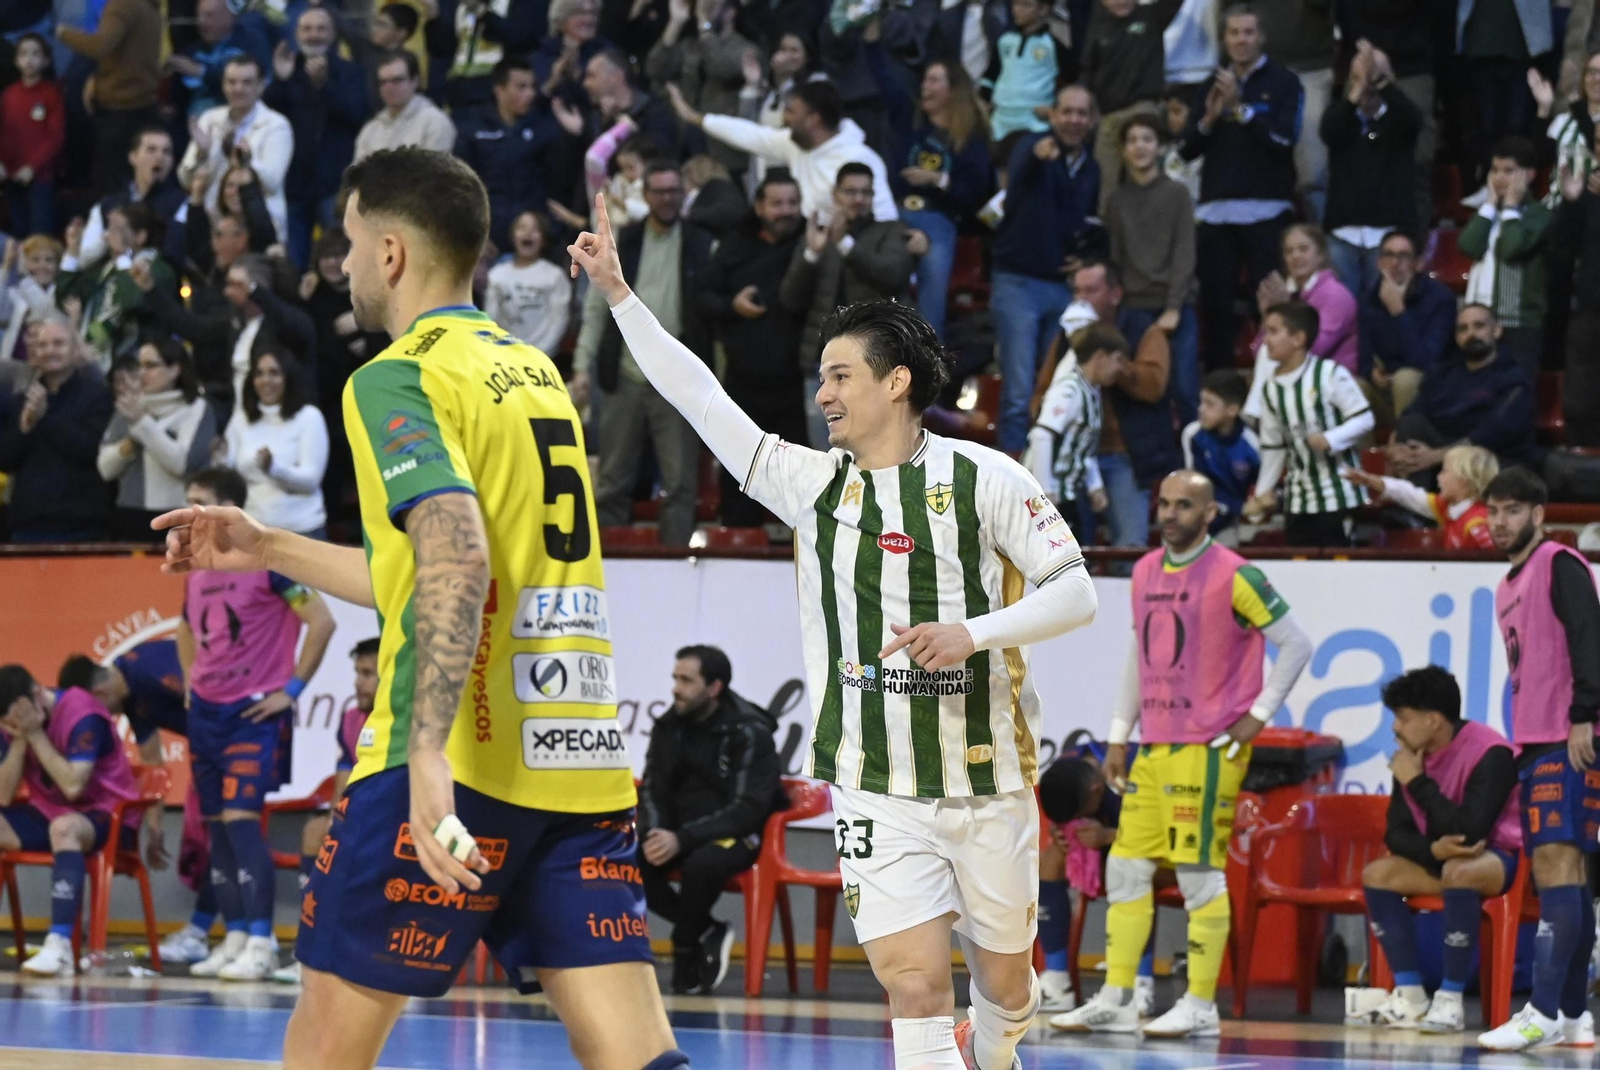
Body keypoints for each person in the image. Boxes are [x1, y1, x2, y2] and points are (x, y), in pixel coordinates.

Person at [154, 147, 689, 1070]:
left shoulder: (394, 377)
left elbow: (455, 553)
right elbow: (435, 571)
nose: (346, 264)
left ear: (392, 252)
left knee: (323, 1051)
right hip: (578, 768)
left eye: (353, 243)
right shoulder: (530, 375)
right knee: (641, 1060)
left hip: (454, 764)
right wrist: (271, 546)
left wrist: (427, 751)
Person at [571, 192, 1101, 1070]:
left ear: (897, 381)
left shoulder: (988, 477)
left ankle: (997, 1044)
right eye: (819, 377)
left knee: (1006, 983)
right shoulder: (812, 484)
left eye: (840, 375)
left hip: (989, 776)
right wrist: (622, 296)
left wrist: (971, 633)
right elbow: (705, 400)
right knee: (911, 983)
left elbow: (1075, 592)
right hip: (873, 779)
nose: (823, 393)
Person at [1053, 469, 1312, 1037]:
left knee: (1198, 877)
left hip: (1209, 748)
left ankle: (1200, 1005)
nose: (1170, 515)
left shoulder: (1236, 574)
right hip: (1155, 746)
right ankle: (1119, 997)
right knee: (1124, 868)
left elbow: (1296, 642)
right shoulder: (1145, 570)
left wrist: (1258, 717)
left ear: (1210, 512)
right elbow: (1137, 653)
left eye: (1184, 506)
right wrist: (1120, 733)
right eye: (1164, 504)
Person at [176, 466, 335, 982]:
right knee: (217, 828)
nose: (190, 511)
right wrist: (188, 682)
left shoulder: (267, 563)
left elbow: (322, 620)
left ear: (227, 509)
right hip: (206, 712)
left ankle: (264, 941)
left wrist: (289, 692)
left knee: (243, 822)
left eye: (200, 501)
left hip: (251, 713)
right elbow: (183, 626)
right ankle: (238, 935)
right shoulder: (197, 566)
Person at [1477, 467, 1600, 1050]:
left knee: (1556, 867)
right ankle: (1574, 1018)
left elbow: (1589, 636)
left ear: (1538, 514)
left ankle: (1544, 1010)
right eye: (1493, 512)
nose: (1500, 522)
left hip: (1567, 735)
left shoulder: (1559, 563)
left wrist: (1585, 714)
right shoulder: (1506, 586)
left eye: (1512, 511)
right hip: (1535, 737)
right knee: (1569, 875)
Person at [1358, 666, 1524, 1033]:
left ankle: (1450, 1001)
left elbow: (1469, 833)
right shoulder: (1409, 757)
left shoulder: (1491, 752)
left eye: (1403, 718)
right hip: (1445, 860)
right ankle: (1411, 996)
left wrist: (1416, 782)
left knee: (1459, 871)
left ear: (1433, 720)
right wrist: (1433, 850)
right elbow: (1396, 834)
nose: (1395, 728)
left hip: (1504, 860)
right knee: (1378, 874)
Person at [573, 161, 713, 547]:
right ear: (646, 195)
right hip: (626, 375)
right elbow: (596, 308)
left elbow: (712, 319)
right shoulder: (624, 241)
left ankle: (679, 571)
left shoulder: (702, 243)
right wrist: (582, 364)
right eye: (660, 191)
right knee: (613, 480)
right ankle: (607, 565)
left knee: (681, 484)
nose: (667, 199)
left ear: (682, 194)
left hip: (679, 380)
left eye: (673, 191)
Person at [57, 640, 217, 965]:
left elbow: (211, 691)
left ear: (99, 694)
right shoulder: (129, 696)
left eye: (95, 710)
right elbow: (152, 758)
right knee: (205, 843)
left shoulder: (150, 666)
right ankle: (204, 932)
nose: (102, 717)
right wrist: (155, 827)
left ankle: (252, 936)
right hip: (211, 752)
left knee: (230, 836)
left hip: (234, 743)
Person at [638, 644, 784, 994]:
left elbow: (748, 808)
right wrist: (655, 830)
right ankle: (705, 929)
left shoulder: (750, 733)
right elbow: (652, 787)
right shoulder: (668, 726)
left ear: (714, 687)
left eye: (686, 680)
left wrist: (683, 839)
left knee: (702, 864)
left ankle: (685, 944)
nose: (676, 688)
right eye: (675, 678)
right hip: (678, 832)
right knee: (628, 861)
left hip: (735, 834)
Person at [1178, 3, 1304, 372]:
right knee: (1216, 305)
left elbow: (1284, 141)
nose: (1241, 40)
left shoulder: (1284, 82)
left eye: (1248, 32)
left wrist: (1241, 110)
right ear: (1224, 39)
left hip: (1268, 211)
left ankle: (1272, 382)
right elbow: (1186, 150)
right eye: (1234, 33)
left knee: (1268, 305)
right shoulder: (1209, 85)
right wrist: (1210, 118)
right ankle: (1220, 387)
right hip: (1216, 212)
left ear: (1261, 37)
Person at [0, 667, 144, 977]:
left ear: (38, 694)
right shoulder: (14, 726)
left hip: (109, 814)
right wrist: (20, 740)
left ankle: (61, 943)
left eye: (17, 720)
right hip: (51, 811)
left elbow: (73, 786)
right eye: (9, 724)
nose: (14, 726)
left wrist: (35, 734)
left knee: (64, 828)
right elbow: (3, 795)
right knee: (57, 824)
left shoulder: (82, 711)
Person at [990, 85, 1104, 453]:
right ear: (1052, 115)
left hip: (1060, 287)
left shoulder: (1092, 168)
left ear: (1092, 120)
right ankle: (1009, 476)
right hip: (1017, 282)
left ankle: (1044, 471)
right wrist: (1037, 157)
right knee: (1019, 390)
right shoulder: (1032, 145)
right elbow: (1020, 171)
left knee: (1052, 386)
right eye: (1067, 112)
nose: (1074, 120)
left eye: (1082, 113)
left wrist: (1085, 260)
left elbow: (1087, 223)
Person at [698, 174, 809, 526]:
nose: (786, 211)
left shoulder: (812, 244)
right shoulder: (735, 246)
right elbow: (702, 297)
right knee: (740, 472)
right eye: (777, 204)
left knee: (797, 477)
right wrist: (733, 305)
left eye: (792, 203)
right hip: (743, 382)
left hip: (796, 383)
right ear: (759, 207)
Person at [272, 637, 380, 985]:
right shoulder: (351, 719)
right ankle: (312, 947)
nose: (357, 682)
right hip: (364, 816)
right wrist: (339, 820)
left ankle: (379, 957)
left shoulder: (408, 721)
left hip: (401, 818)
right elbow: (345, 779)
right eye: (357, 672)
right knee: (316, 832)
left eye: (367, 673)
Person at [870, 54, 994, 341]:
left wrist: (938, 179)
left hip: (938, 220)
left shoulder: (970, 139)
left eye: (935, 80)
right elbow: (886, 84)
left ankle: (926, 362)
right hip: (896, 214)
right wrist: (873, 43)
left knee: (932, 298)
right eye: (925, 79)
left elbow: (976, 195)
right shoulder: (911, 124)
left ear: (953, 90)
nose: (926, 85)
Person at [1034, 743, 1159, 1017]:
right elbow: (1061, 815)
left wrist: (1111, 835)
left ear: (1097, 790)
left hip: (1159, 856)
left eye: (1081, 816)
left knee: (1134, 867)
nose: (1080, 820)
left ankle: (1139, 985)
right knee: (1050, 860)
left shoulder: (1140, 768)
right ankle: (1057, 983)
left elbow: (1166, 833)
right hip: (1107, 853)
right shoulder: (1068, 767)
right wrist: (1061, 834)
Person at [671, 78, 898, 222]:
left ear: (813, 119)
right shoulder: (796, 144)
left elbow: (885, 218)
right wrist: (697, 118)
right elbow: (753, 136)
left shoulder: (860, 159)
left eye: (790, 111)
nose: (783, 118)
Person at [1242, 302, 1374, 547]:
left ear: (1298, 338)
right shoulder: (1270, 389)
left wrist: (1332, 438)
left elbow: (1365, 419)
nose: (1264, 340)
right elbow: (1273, 448)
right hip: (1298, 499)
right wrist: (1262, 495)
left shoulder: (1330, 374)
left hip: (1339, 494)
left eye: (1273, 332)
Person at [1105, 113, 1198, 424]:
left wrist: (1173, 307)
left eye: (1147, 139)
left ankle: (1192, 469)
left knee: (1186, 390)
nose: (1139, 147)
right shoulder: (1117, 200)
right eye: (1132, 140)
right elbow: (1114, 257)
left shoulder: (1177, 193)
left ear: (1160, 147)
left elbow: (1184, 252)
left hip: (1175, 306)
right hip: (1133, 308)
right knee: (1140, 394)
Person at [781, 163, 917, 374]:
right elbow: (791, 300)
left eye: (866, 192)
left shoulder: (891, 231)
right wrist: (812, 255)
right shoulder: (818, 239)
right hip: (823, 361)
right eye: (850, 192)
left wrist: (845, 243)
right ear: (835, 195)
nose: (858, 199)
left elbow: (892, 276)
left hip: (876, 361)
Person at [263, 7, 371, 270]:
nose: (314, 35)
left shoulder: (350, 72)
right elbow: (269, 119)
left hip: (333, 184)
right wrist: (280, 80)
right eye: (307, 29)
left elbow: (359, 115)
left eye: (321, 29)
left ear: (333, 34)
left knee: (340, 258)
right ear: (296, 33)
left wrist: (325, 86)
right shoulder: (288, 69)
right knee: (295, 262)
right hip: (295, 184)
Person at [1387, 304, 1540, 481]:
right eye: (1463, 329)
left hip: (1491, 463)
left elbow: (1492, 435)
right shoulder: (1443, 374)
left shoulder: (1513, 379)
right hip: (1441, 460)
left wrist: (1436, 456)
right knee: (1411, 425)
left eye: (1479, 326)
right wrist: (1394, 447)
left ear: (1497, 331)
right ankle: (1413, 502)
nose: (1471, 334)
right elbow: (1414, 411)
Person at [1319, 39, 1422, 302]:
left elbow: (1413, 121)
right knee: (1343, 312)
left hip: (1388, 237)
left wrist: (1380, 82)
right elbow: (1328, 132)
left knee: (1383, 313)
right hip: (1343, 236)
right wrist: (1355, 92)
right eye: (1357, 77)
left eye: (1376, 77)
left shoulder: (1399, 120)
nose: (1367, 85)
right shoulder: (1342, 118)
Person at [0, 316, 115, 543]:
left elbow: (92, 451)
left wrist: (46, 417)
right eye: (42, 345)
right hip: (27, 524)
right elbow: (5, 460)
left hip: (82, 525)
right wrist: (25, 427)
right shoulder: (22, 398)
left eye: (58, 344)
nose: (49, 351)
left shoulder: (98, 395)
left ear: (75, 350)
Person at [97, 338, 217, 541]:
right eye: (139, 367)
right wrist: (129, 444)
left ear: (175, 370)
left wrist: (142, 424)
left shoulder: (196, 408)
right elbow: (105, 469)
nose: (142, 373)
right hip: (131, 513)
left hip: (179, 515)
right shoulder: (129, 406)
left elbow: (181, 464)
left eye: (150, 366)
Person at [177, 55, 295, 244]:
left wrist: (248, 162)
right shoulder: (209, 119)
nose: (238, 89)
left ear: (261, 85)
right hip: (214, 227)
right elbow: (185, 180)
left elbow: (272, 183)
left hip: (259, 229)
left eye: (247, 82)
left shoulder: (276, 125)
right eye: (232, 82)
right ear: (223, 85)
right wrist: (201, 154)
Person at [1079, 0, 1182, 214]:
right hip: (1107, 115)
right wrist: (1087, 107)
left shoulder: (1151, 15)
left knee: (1141, 179)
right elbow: (1087, 71)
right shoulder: (1097, 24)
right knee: (1105, 184)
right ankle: (1107, 238)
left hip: (1141, 109)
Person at [1460, 137, 1551, 379]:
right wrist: (1490, 204)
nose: (1500, 178)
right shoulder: (1488, 213)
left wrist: (1510, 208)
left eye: (1509, 171)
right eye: (1495, 170)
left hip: (1518, 322)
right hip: (1479, 320)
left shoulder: (1539, 215)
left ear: (1529, 175)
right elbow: (1468, 246)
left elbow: (1511, 249)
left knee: (1515, 394)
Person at [56, 0, 162, 198]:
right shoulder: (150, 7)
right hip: (145, 105)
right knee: (144, 181)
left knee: (109, 188)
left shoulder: (121, 5)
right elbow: (130, 56)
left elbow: (101, 46)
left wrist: (64, 33)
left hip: (118, 109)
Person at [454, 56, 561, 253]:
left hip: (533, 239)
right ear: (499, 90)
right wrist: (476, 236)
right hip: (487, 238)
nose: (530, 94)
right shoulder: (473, 128)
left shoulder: (545, 128)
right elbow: (461, 187)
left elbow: (557, 183)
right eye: (521, 87)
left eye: (532, 86)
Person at [222, 349, 330, 540]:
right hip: (253, 530)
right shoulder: (241, 419)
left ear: (288, 378)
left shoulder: (308, 417)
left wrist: (273, 468)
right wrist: (218, 457)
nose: (266, 380)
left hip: (302, 532)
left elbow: (311, 480)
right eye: (259, 373)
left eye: (274, 373)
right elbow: (230, 473)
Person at [1023, 323, 1127, 516]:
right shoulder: (1068, 391)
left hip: (1067, 494)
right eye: (1118, 360)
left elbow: (1083, 446)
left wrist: (1095, 486)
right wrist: (1045, 492)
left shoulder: (1091, 392)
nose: (1120, 368)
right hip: (1048, 496)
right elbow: (1041, 436)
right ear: (1100, 357)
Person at [1358, 229, 1457, 421]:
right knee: (1356, 385)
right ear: (1379, 263)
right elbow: (1364, 358)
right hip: (1386, 391)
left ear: (1418, 263)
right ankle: (1360, 451)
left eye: (1403, 256)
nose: (1395, 263)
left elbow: (1425, 362)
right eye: (1389, 255)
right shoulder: (1369, 299)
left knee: (1405, 379)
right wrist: (1372, 373)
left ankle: (1405, 445)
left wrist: (1398, 311)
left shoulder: (1440, 299)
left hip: (1430, 394)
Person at [1342, 445, 1498, 550]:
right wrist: (1370, 480)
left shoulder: (1478, 523)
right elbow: (1408, 494)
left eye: (1444, 471)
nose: (1438, 477)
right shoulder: (1449, 509)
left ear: (1463, 482)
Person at [76, 126, 184, 269]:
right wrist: (111, 236)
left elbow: (175, 255)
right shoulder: (108, 204)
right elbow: (84, 257)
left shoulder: (182, 203)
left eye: (166, 152)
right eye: (151, 150)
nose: (160, 157)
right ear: (133, 157)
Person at [979, 0, 1076, 146]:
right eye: (1015, 4)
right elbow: (991, 75)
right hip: (1000, 119)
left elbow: (1072, 79)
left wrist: (1055, 108)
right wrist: (983, 100)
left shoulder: (1052, 45)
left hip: (1033, 121)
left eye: (1026, 5)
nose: (1017, 10)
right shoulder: (1005, 41)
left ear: (1043, 9)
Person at [1180, 369, 1259, 542]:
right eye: (1201, 402)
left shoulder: (1252, 444)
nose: (1201, 409)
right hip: (1190, 522)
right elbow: (1197, 488)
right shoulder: (1193, 435)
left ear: (1232, 409)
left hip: (1227, 526)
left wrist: (1262, 503)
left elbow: (1265, 487)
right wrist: (1240, 508)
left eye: (1210, 404)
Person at [0, 33, 64, 239]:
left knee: (40, 232)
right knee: (17, 232)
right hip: (10, 175)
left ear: (46, 60)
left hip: (40, 176)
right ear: (16, 60)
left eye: (36, 54)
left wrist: (32, 167)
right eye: (24, 54)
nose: (29, 59)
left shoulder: (51, 94)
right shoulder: (8, 94)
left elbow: (55, 137)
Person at [483, 211, 573, 355]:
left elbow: (559, 321)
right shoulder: (496, 275)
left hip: (543, 356)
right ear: (513, 236)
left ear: (543, 239)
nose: (528, 233)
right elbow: (491, 318)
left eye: (535, 229)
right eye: (522, 227)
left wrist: (539, 353)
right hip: (506, 355)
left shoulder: (554, 276)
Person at [354, 51, 458, 162]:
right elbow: (357, 175)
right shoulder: (371, 129)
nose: (389, 87)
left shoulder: (435, 122)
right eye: (383, 82)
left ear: (415, 81)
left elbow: (436, 174)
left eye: (397, 80)